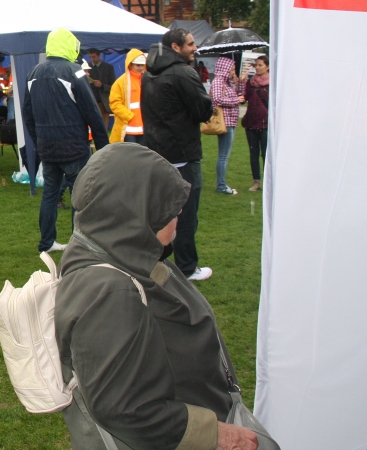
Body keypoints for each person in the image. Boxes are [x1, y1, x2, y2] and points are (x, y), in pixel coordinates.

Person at [54, 143, 260, 450]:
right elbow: (123, 408)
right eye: (167, 208)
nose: (178, 214)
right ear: (135, 211)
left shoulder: (120, 251)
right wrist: (217, 434)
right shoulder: (109, 292)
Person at [23, 29, 109, 254]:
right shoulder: (75, 71)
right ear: (71, 46)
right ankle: (78, 246)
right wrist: (104, 148)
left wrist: (39, 140)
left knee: (50, 194)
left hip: (47, 146)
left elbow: (27, 113)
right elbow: (92, 112)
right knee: (79, 196)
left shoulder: (33, 72)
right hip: (73, 147)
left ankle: (47, 243)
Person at [141, 28, 215, 282]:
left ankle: (155, 261)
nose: (195, 48)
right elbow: (203, 110)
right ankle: (187, 267)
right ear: (175, 47)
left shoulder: (148, 73)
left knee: (160, 212)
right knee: (185, 213)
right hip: (181, 153)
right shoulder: (183, 72)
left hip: (157, 152)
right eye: (191, 44)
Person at [211, 54, 247, 195]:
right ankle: (221, 186)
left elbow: (241, 96)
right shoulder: (218, 81)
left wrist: (241, 82)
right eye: (232, 69)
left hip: (230, 121)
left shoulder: (227, 82)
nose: (233, 72)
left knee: (225, 155)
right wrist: (235, 100)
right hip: (224, 122)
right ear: (225, 69)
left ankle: (222, 184)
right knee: (223, 156)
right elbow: (217, 99)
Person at [242, 55, 270, 192]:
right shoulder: (251, 82)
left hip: (265, 123)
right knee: (253, 153)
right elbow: (243, 98)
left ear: (267, 66)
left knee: (265, 154)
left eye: (260, 65)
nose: (257, 68)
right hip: (251, 122)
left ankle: (268, 182)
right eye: (256, 65)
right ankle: (256, 181)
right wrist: (241, 82)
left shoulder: (272, 83)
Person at [108, 49, 146, 144]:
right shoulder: (121, 82)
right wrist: (128, 116)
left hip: (144, 127)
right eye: (138, 65)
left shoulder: (146, 80)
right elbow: (114, 104)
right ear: (130, 64)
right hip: (127, 128)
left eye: (142, 65)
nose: (141, 68)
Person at [86, 48, 116, 129]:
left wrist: (102, 85)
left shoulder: (109, 67)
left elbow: (113, 87)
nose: (92, 59)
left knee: (103, 126)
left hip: (103, 103)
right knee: (91, 126)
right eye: (90, 57)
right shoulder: (86, 67)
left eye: (94, 57)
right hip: (90, 102)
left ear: (100, 55)